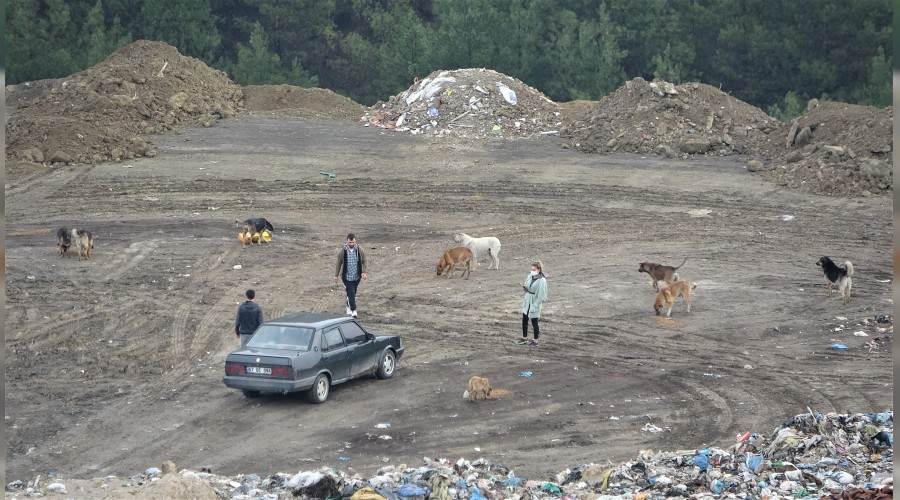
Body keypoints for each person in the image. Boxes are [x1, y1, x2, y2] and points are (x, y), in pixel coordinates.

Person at [333, 233, 367, 317]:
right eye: (350, 242)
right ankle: (353, 310)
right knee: (351, 292)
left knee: (353, 292)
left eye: (353, 242)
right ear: (347, 241)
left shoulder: (359, 250)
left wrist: (364, 272)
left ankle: (348, 305)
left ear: (355, 241)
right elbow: (339, 263)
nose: (351, 244)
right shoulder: (343, 251)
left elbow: (364, 260)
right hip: (346, 277)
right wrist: (336, 275)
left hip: (356, 276)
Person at [518, 261, 548, 347]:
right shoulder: (530, 276)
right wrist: (525, 287)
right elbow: (528, 286)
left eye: (534, 269)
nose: (532, 271)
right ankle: (524, 338)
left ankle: (535, 340)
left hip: (534, 300)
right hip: (528, 299)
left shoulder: (542, 281)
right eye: (531, 269)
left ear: (539, 270)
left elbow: (541, 296)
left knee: (534, 322)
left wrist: (535, 305)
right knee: (524, 319)